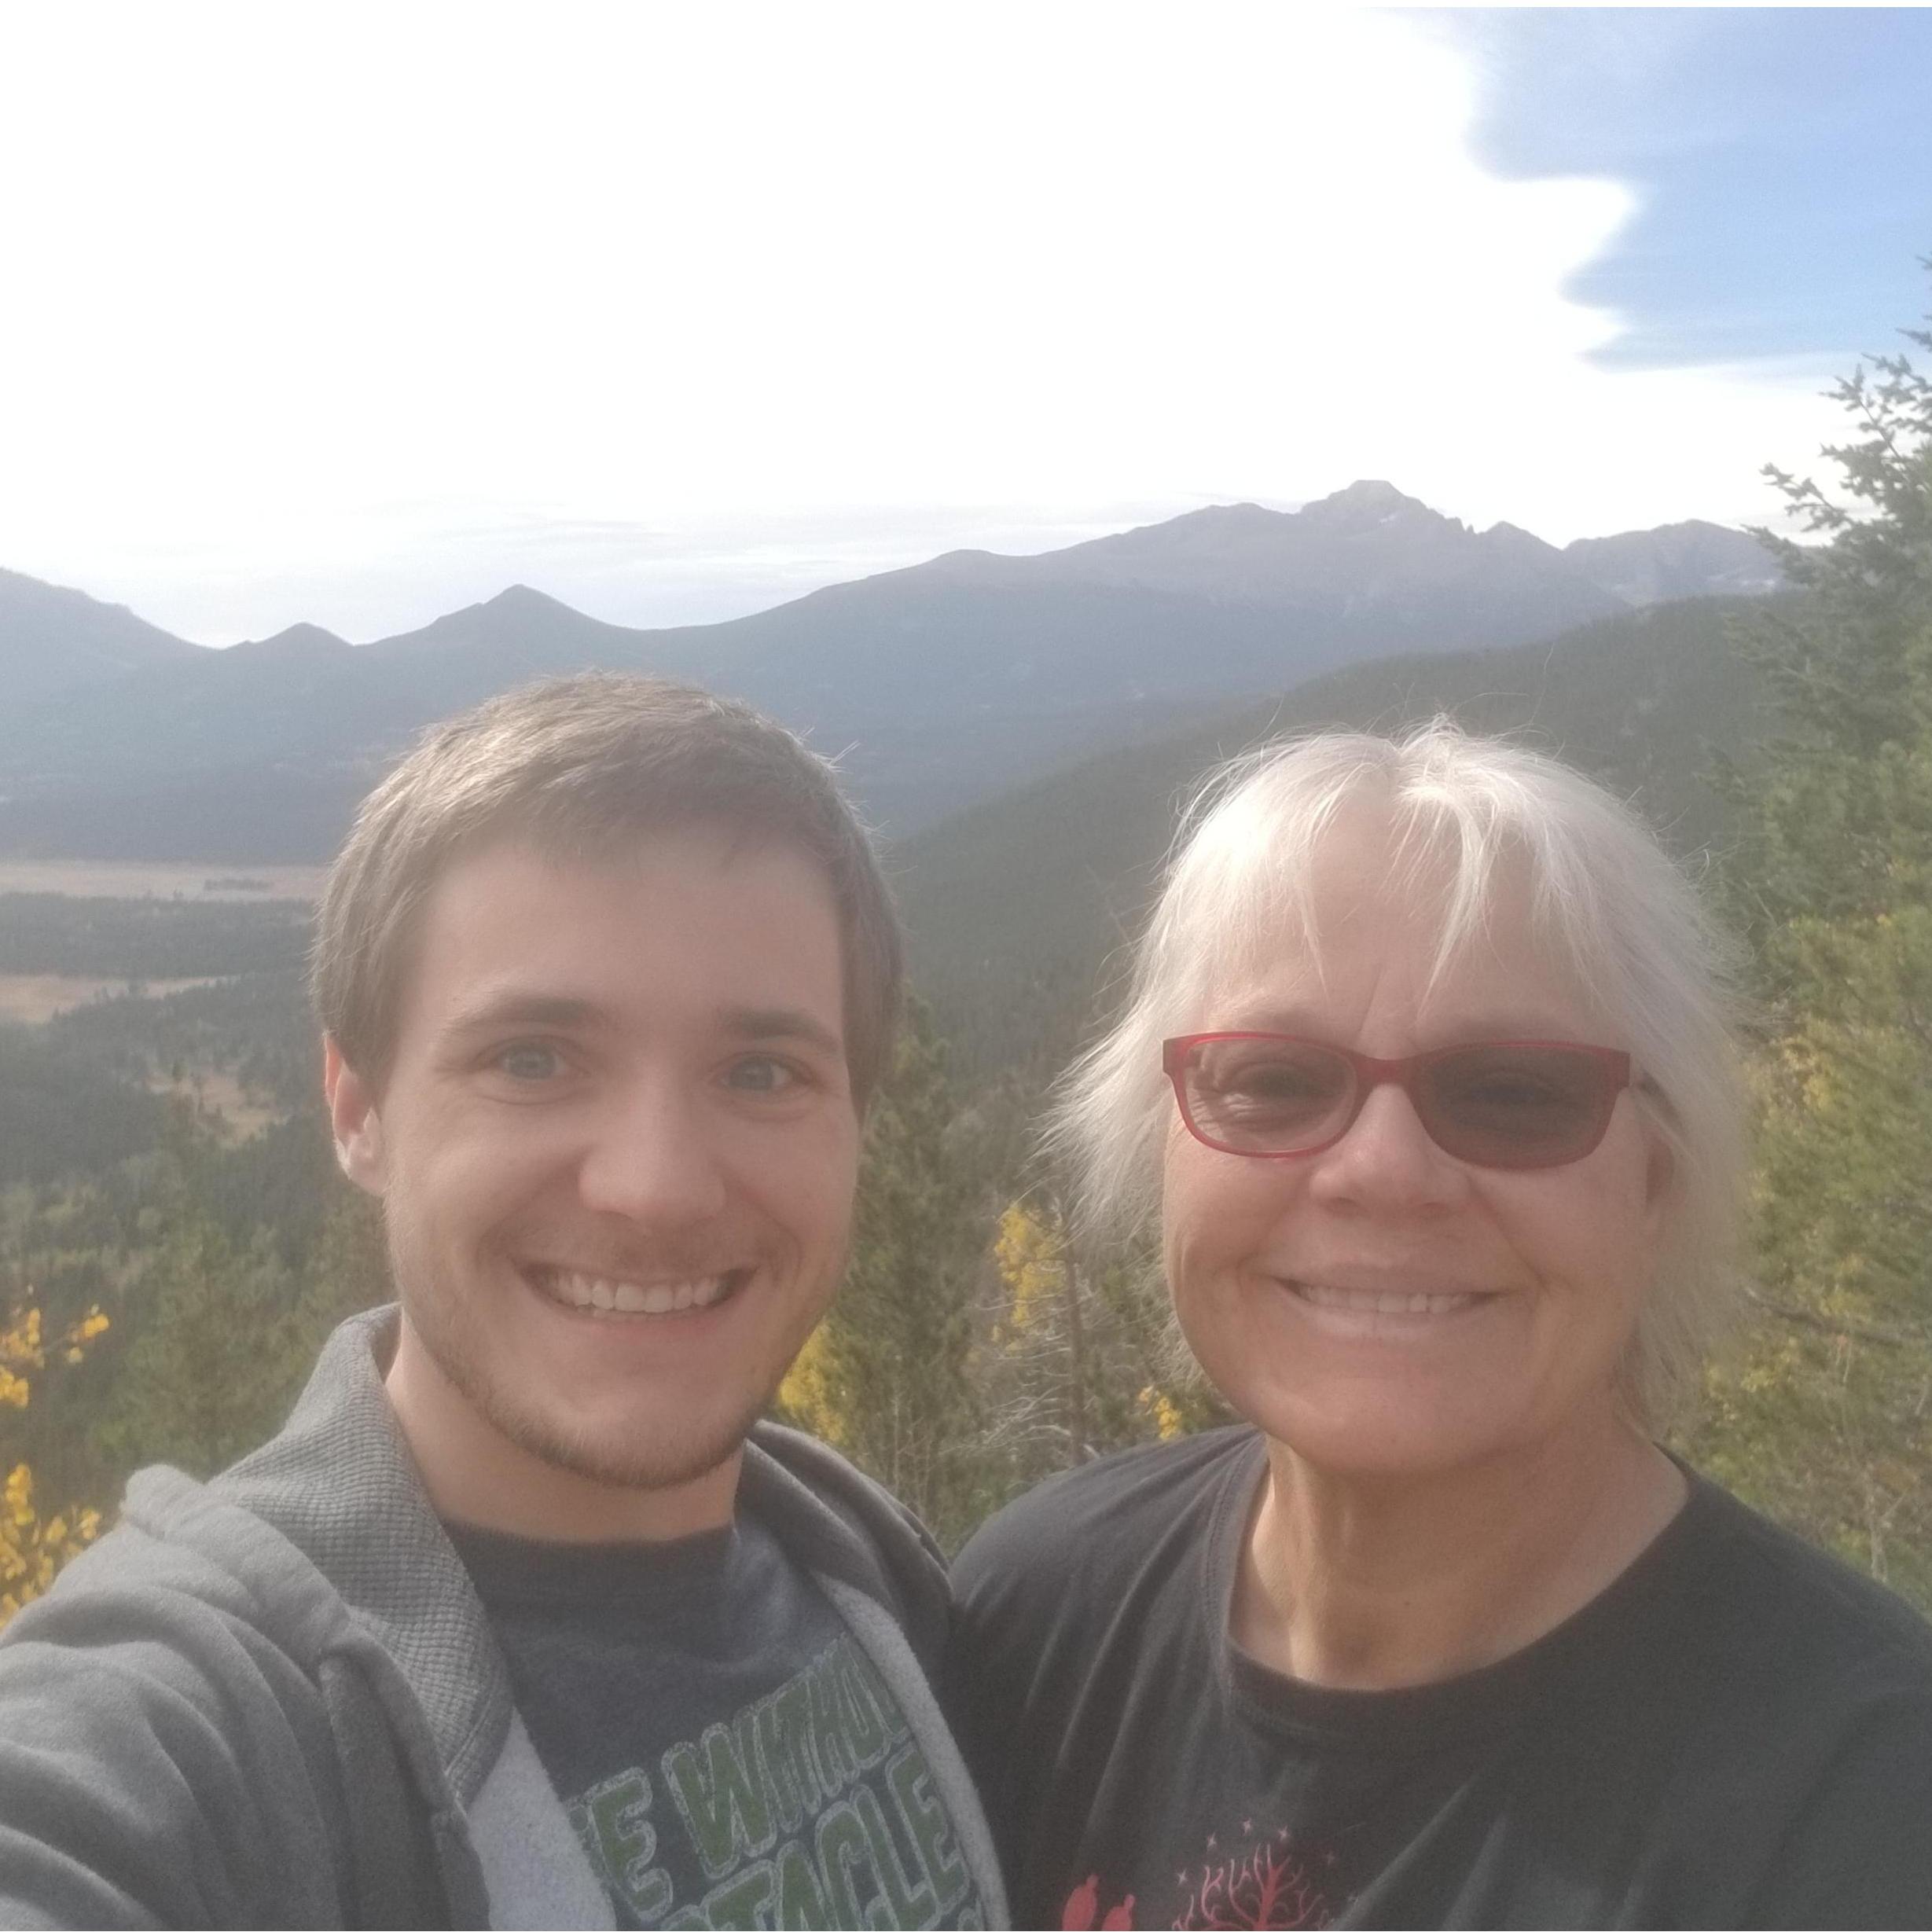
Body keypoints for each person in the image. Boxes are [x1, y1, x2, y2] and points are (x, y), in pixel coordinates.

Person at [0, 674, 1004, 1930]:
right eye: (532, 1059)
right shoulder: (211, 1718)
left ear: (857, 1120)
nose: (655, 1187)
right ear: (357, 1107)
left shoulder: (880, 1580)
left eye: (761, 1071)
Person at [949, 722, 1932, 1930]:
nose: (1381, 1171)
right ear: (1163, 1149)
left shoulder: (1863, 1800)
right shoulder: (1036, 1610)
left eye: (1511, 1091)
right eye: (1272, 1079)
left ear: (1656, 1183)